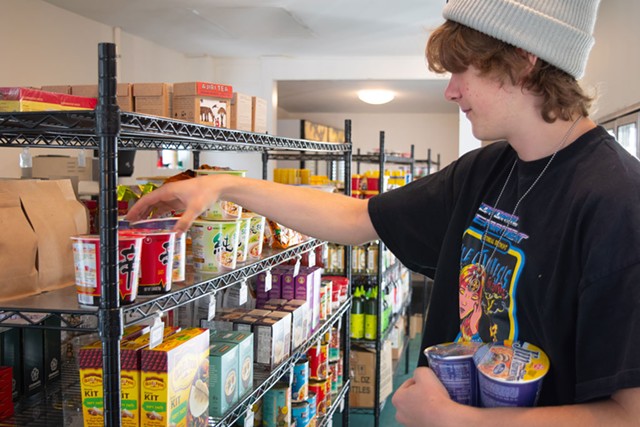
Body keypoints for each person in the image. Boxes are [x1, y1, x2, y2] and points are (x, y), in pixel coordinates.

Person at [126, 0, 640, 425]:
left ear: (525, 60)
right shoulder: (487, 169)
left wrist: (457, 421)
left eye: (463, 68)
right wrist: (225, 185)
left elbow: (627, 413)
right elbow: (354, 219)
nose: (451, 89)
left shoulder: (618, 202)